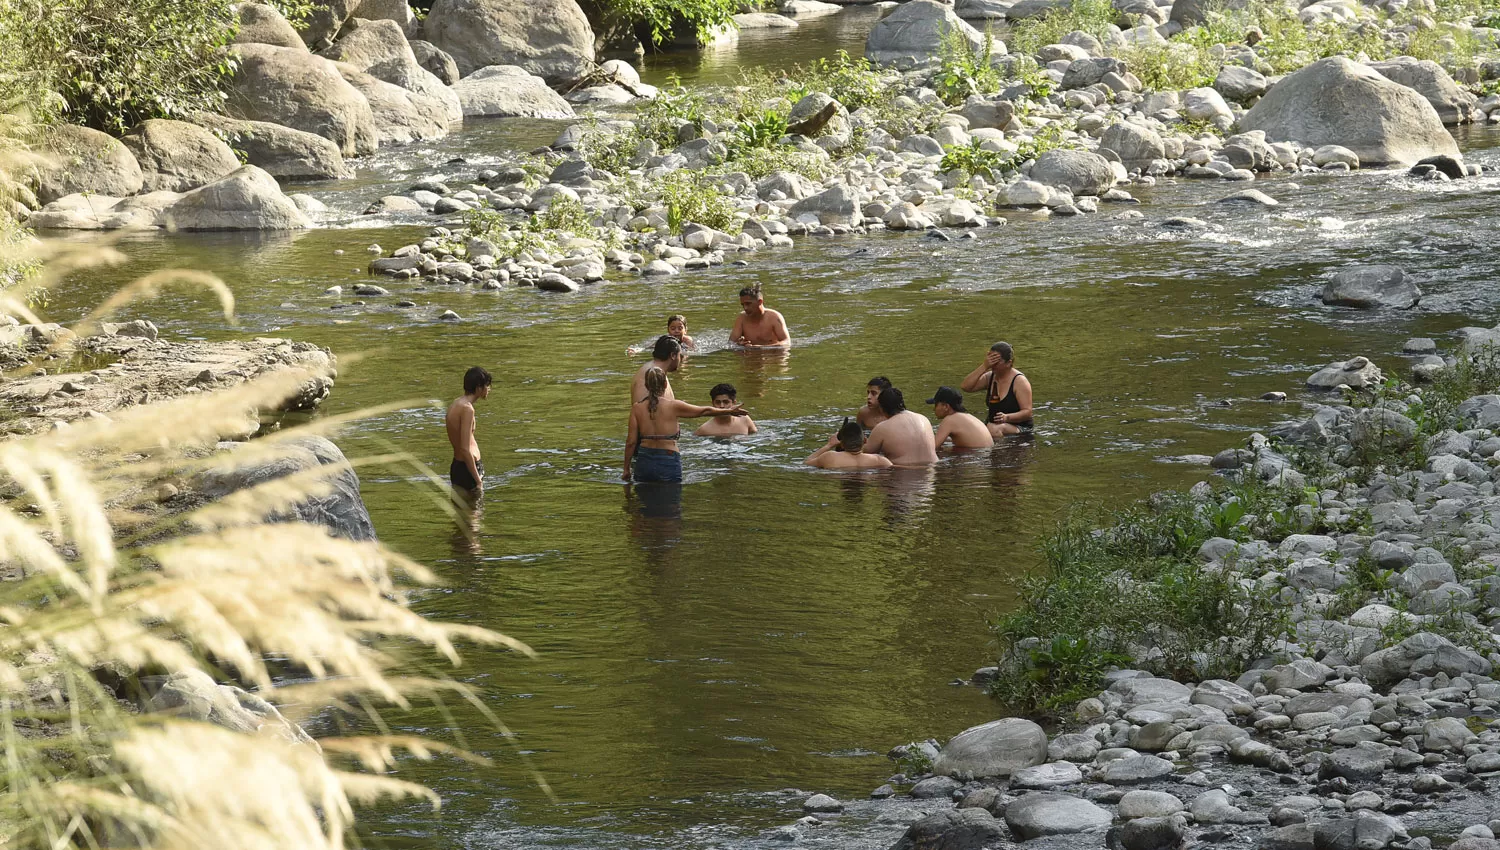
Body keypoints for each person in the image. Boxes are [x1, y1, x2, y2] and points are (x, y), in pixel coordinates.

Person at [625, 367, 750, 482]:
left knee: (643, 499)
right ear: (665, 384)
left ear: (646, 385)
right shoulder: (674, 406)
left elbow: (631, 442)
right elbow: (704, 411)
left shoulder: (637, 408)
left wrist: (626, 469)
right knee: (671, 502)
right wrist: (730, 411)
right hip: (668, 457)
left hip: (644, 458)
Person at [960, 341, 1034, 437]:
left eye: (996, 361)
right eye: (991, 360)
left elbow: (1027, 412)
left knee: (994, 428)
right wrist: (984, 366)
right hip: (992, 425)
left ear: (1008, 363)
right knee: (961, 427)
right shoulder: (989, 377)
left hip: (1019, 427)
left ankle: (996, 451)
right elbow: (966, 387)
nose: (992, 364)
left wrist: (1007, 417)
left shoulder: (1019, 381)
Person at [446, 366, 491, 500]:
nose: (489, 389)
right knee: (474, 517)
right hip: (467, 469)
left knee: (461, 515)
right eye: (487, 385)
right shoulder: (467, 409)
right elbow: (465, 449)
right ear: (478, 387)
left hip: (458, 466)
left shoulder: (456, 403)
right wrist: (478, 481)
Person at [864, 387, 938, 466]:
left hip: (902, 471)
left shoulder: (882, 428)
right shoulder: (924, 419)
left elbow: (865, 453)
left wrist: (863, 443)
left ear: (881, 408)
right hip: (932, 471)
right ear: (902, 403)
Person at [806, 418, 893, 470]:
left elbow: (807, 462)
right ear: (865, 440)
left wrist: (829, 445)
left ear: (842, 444)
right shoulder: (879, 460)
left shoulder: (829, 457)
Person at [928, 386, 994, 448]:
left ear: (946, 406)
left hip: (975, 454)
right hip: (987, 453)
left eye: (936, 405)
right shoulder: (968, 416)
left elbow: (933, 447)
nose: (934, 409)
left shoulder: (949, 420)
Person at [730, 285, 791, 349]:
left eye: (748, 304)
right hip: (750, 356)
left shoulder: (775, 317)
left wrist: (761, 347)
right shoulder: (741, 318)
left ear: (760, 302)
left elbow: (787, 342)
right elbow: (730, 343)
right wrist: (738, 345)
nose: (745, 308)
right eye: (743, 305)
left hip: (772, 356)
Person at [632, 335, 681, 405]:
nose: (680, 359)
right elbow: (644, 411)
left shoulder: (657, 373)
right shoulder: (648, 375)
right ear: (673, 355)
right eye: (680, 355)